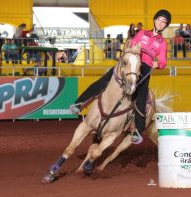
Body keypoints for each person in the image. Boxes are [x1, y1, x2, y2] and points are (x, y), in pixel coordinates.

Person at [70, 9, 171, 144]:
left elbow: (163, 60)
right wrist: (130, 48)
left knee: (141, 97)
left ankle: (137, 131)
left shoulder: (162, 42)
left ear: (165, 26)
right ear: (154, 20)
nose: (161, 23)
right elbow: (131, 44)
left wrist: (157, 64)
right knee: (104, 81)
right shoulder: (142, 33)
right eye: (159, 19)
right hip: (131, 62)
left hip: (145, 68)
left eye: (164, 22)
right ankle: (79, 104)